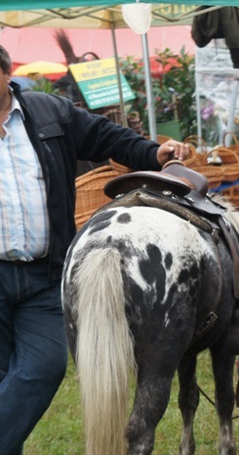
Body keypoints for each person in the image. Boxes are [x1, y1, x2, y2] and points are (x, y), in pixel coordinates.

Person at [0, 44, 190, 455]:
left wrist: (153, 153)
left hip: (43, 276)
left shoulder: (49, 112)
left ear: (4, 74)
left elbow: (107, 137)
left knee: (44, 367)